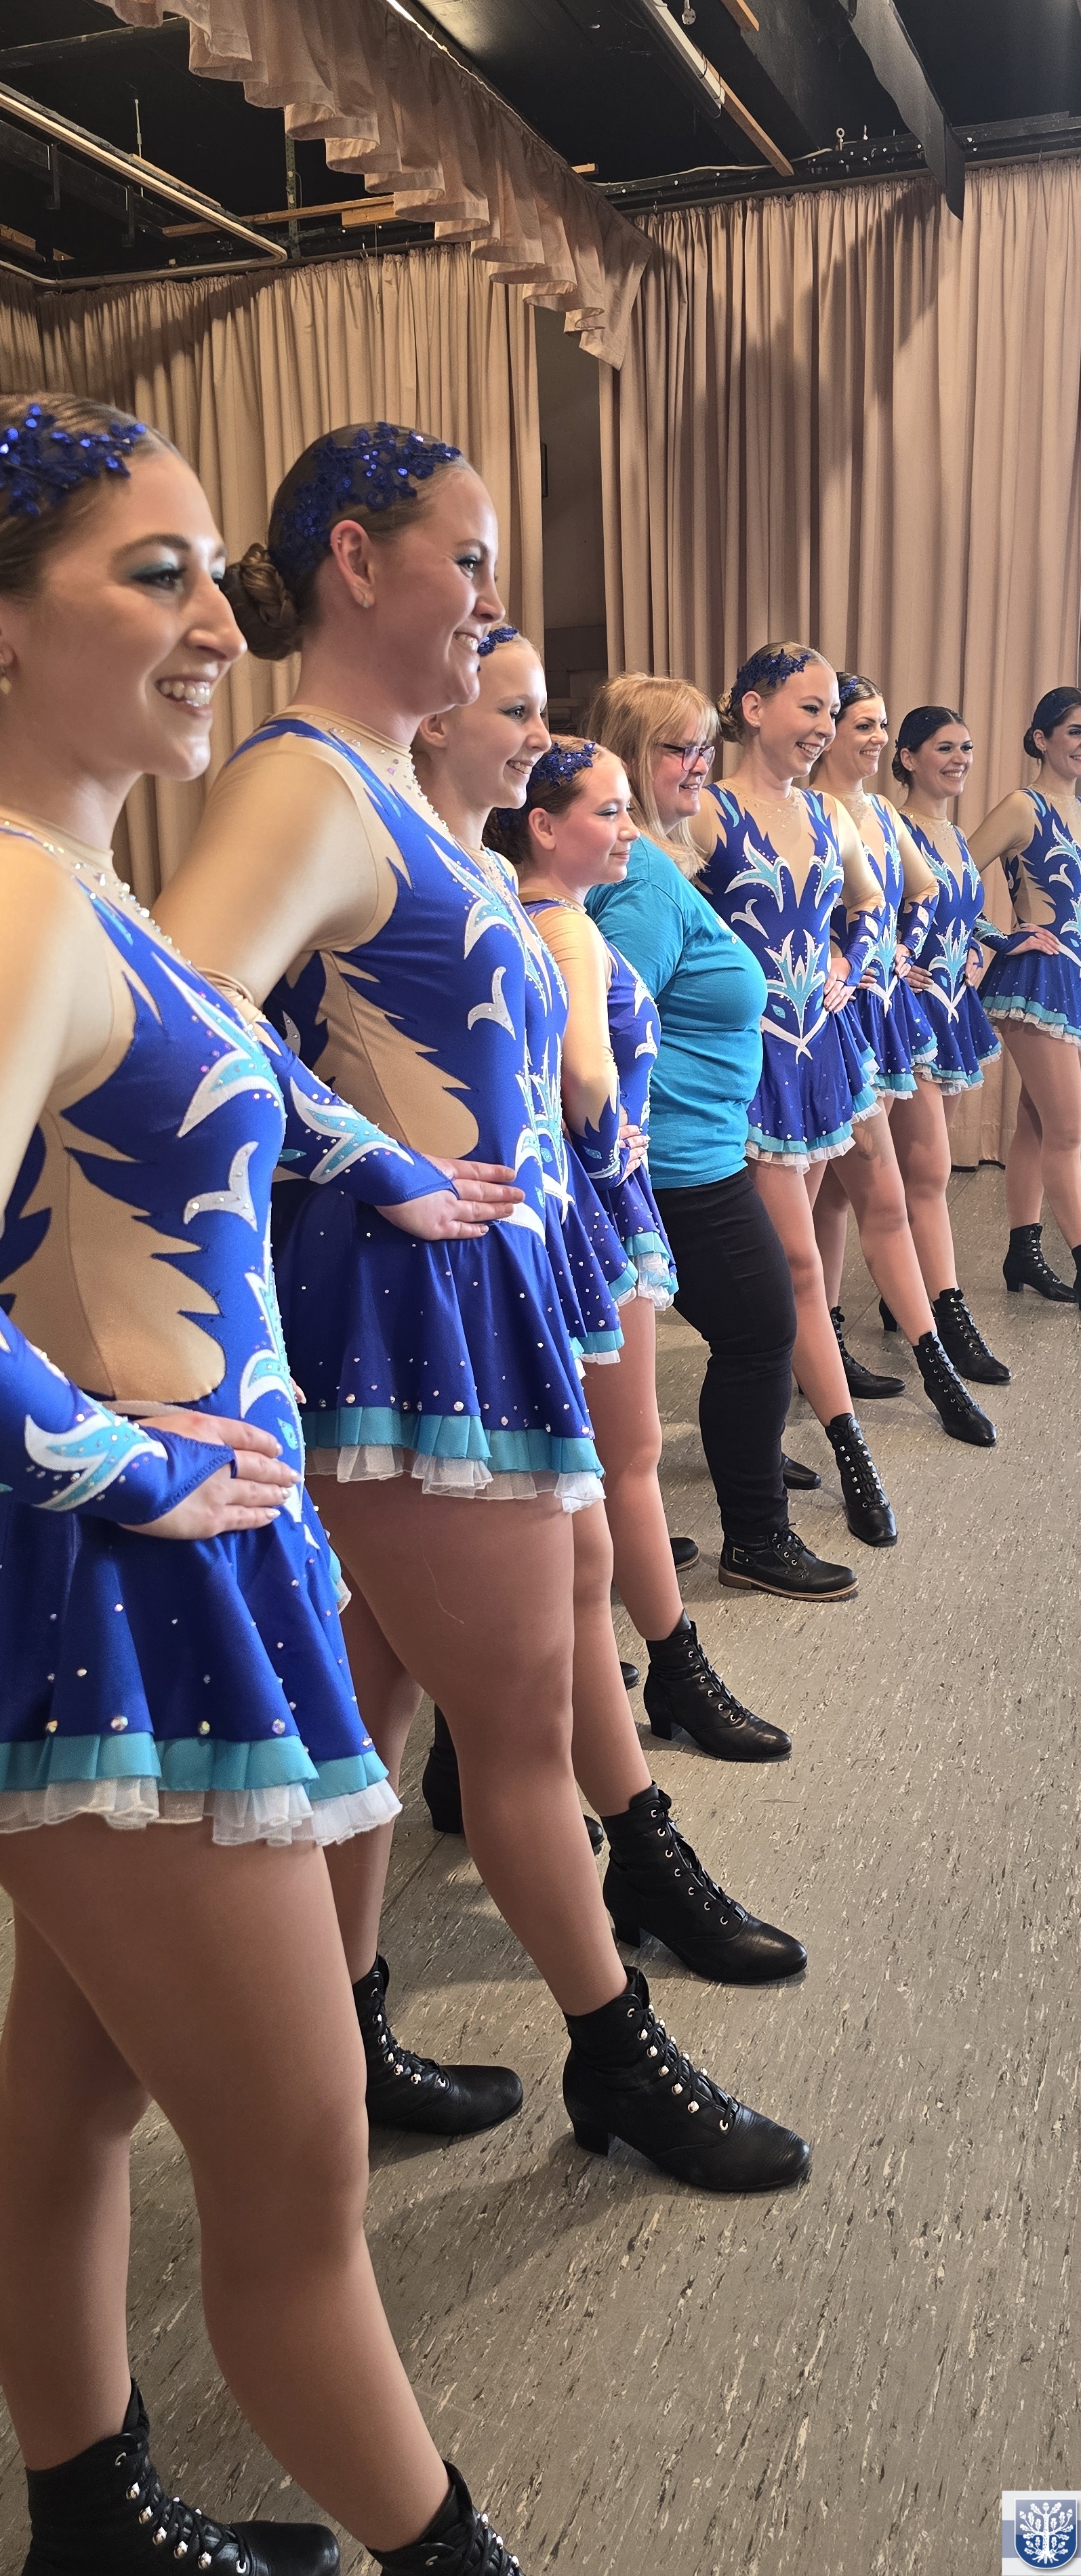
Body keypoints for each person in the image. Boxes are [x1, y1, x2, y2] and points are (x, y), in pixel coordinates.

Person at [0, 396, 531, 2576]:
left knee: (72, 2100)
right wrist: (124, 1455)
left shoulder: (85, 894)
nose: (219, 619)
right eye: (156, 577)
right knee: (300, 2196)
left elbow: (232, 1078)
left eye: (215, 574)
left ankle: (87, 2512)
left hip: (172, 1577)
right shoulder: (14, 904)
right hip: (122, 1593)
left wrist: (388, 1165)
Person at [158, 427, 809, 2192]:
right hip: (407, 1308)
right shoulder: (305, 780)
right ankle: (617, 2049)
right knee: (517, 1724)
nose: (490, 600)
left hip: (467, 1293)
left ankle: (349, 2027)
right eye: (468, 560)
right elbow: (177, 1017)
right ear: (356, 562)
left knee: (385, 1700)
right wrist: (372, 1158)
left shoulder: (383, 783)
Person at [485, 668, 792, 1754]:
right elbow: (582, 1075)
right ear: (546, 826)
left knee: (576, 1467)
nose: (627, 830)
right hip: (598, 1205)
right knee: (622, 1461)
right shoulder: (568, 927)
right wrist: (619, 1124)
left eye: (627, 811)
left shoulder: (522, 911)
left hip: (566, 1202)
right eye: (608, 811)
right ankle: (675, 1672)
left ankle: (505, 1731)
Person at [584, 670, 859, 1602]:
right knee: (760, 1330)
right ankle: (756, 1539)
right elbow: (605, 1026)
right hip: (676, 1162)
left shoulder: (656, 862)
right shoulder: (645, 883)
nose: (699, 765)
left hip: (693, 1149)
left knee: (736, 1334)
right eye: (678, 748)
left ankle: (635, 1540)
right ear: (629, 757)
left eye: (705, 746)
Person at [689, 643, 899, 1546]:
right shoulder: (708, 810)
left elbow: (872, 906)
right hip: (747, 1065)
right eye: (809, 708)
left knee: (786, 1271)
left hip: (816, 1063)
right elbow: (656, 921)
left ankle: (763, 1429)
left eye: (829, 712)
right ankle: (850, 1449)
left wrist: (853, 959)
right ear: (752, 707)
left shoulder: (828, 812)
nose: (823, 727)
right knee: (797, 1270)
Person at [807, 675, 998, 1447]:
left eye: (880, 725)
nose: (875, 738)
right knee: (854, 1197)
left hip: (884, 1016)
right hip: (829, 1025)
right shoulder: (809, 809)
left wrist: (898, 957)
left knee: (853, 1196)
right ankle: (887, 1355)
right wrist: (840, 961)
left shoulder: (883, 813)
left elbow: (918, 899)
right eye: (862, 724)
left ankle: (844, 1345)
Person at [969, 686, 1081, 1327]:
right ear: (1042, 738)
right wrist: (999, 937)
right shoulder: (1023, 806)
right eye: (1075, 731)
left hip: (1080, 977)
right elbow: (950, 877)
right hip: (1034, 980)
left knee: (1039, 1123)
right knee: (1070, 1127)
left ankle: (1023, 1253)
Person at [884, 705, 1011, 1384]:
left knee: (922, 1171)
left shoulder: (957, 835)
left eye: (966, 747)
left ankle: (898, 1292)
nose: (960, 759)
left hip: (955, 1007)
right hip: (911, 1014)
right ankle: (946, 1317)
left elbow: (968, 915)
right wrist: (895, 963)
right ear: (907, 757)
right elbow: (869, 911)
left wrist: (999, 946)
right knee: (930, 1173)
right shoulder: (891, 825)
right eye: (944, 748)